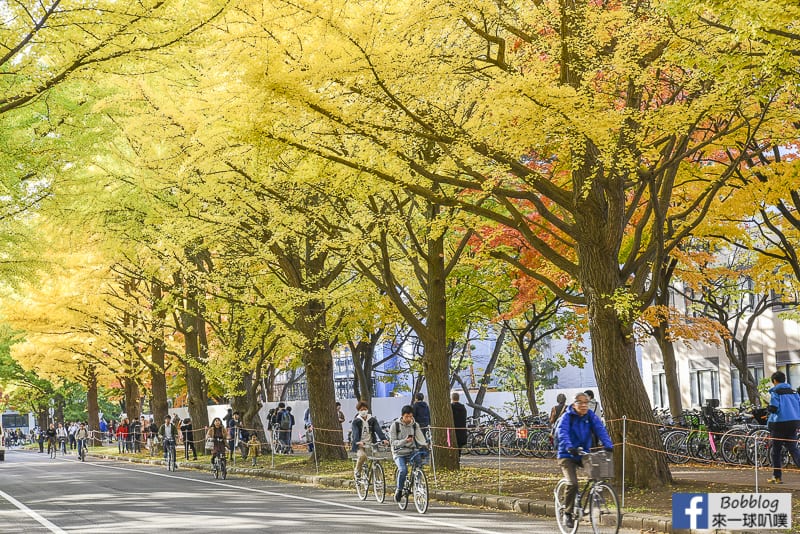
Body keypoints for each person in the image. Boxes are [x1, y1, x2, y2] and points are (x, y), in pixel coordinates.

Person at [557, 392, 614, 529]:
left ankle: (595, 500)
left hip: (583, 453)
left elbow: (600, 429)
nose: (584, 405)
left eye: (586, 402)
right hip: (567, 454)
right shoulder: (567, 417)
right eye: (580, 402)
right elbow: (562, 432)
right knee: (572, 483)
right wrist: (569, 447)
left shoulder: (590, 416)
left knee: (598, 475)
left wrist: (608, 445)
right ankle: (568, 513)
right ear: (574, 404)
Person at [766, 370, 800, 484]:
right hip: (793, 423)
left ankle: (777, 477)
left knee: (776, 451)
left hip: (779, 425)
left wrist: (768, 408)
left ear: (774, 381)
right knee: (794, 449)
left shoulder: (776, 392)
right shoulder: (794, 392)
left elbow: (774, 408)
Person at [389, 405, 428, 502]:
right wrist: (404, 441)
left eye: (410, 416)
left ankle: (418, 484)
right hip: (399, 452)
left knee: (419, 465)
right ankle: (399, 490)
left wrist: (425, 444)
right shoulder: (395, 425)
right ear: (402, 416)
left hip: (412, 451)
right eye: (407, 416)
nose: (409, 419)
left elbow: (420, 437)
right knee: (403, 470)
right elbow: (393, 442)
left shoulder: (415, 425)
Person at [351, 401, 388, 476]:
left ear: (367, 410)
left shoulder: (372, 420)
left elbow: (378, 430)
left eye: (364, 409)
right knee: (362, 456)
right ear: (358, 411)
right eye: (361, 410)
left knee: (376, 458)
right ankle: (357, 471)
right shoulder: (356, 421)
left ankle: (378, 478)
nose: (363, 411)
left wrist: (383, 439)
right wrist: (358, 442)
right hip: (360, 444)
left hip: (371, 443)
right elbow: (355, 433)